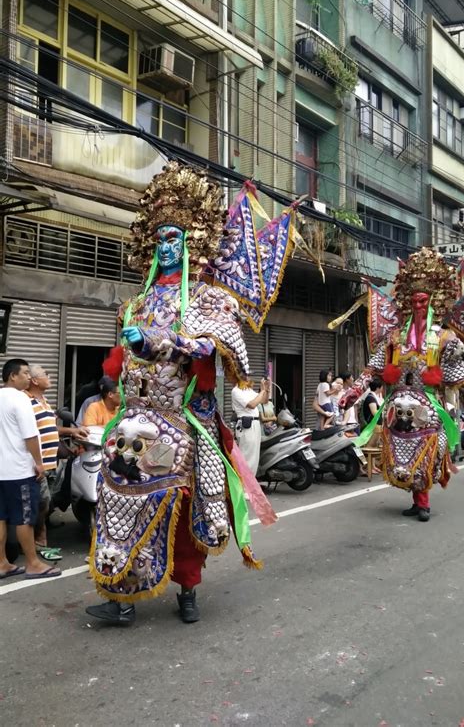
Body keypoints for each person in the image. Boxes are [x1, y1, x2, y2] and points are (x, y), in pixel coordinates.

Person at [86, 164, 287, 627]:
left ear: (193, 242)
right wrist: (127, 353)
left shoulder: (208, 297)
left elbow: (218, 347)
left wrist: (160, 343)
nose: (167, 244)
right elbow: (119, 366)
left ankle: (188, 589)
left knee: (195, 503)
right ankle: (120, 596)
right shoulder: (137, 301)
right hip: (136, 418)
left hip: (185, 418)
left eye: (175, 235)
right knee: (115, 495)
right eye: (160, 237)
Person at [340, 248, 464, 523]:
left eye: (423, 300)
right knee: (404, 457)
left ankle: (423, 503)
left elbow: (459, 374)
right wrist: (354, 392)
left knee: (424, 455)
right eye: (414, 300)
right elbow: (373, 367)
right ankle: (416, 500)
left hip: (427, 408)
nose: (419, 305)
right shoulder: (395, 337)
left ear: (433, 301)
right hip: (396, 407)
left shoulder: (445, 337)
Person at [0, 358, 61, 579]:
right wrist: (39, 463)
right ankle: (33, 563)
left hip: (2, 471)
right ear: (12, 376)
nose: (28, 377)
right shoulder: (21, 399)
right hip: (19, 471)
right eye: (24, 373)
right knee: (24, 518)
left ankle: (2, 563)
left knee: (2, 518)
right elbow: (30, 436)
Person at [26, 365, 88, 557]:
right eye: (45, 374)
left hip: (50, 461)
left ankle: (40, 540)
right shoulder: (26, 402)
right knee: (41, 502)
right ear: (35, 381)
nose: (49, 376)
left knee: (45, 502)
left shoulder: (43, 401)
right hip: (37, 463)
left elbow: (51, 428)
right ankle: (37, 541)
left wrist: (72, 431)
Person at [232, 378, 271, 474]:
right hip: (247, 425)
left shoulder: (248, 390)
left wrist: (266, 389)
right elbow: (252, 404)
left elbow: (264, 401)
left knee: (254, 459)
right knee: (247, 458)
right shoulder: (236, 391)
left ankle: (251, 484)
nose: (249, 377)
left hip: (255, 424)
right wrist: (262, 391)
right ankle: (245, 485)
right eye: (247, 375)